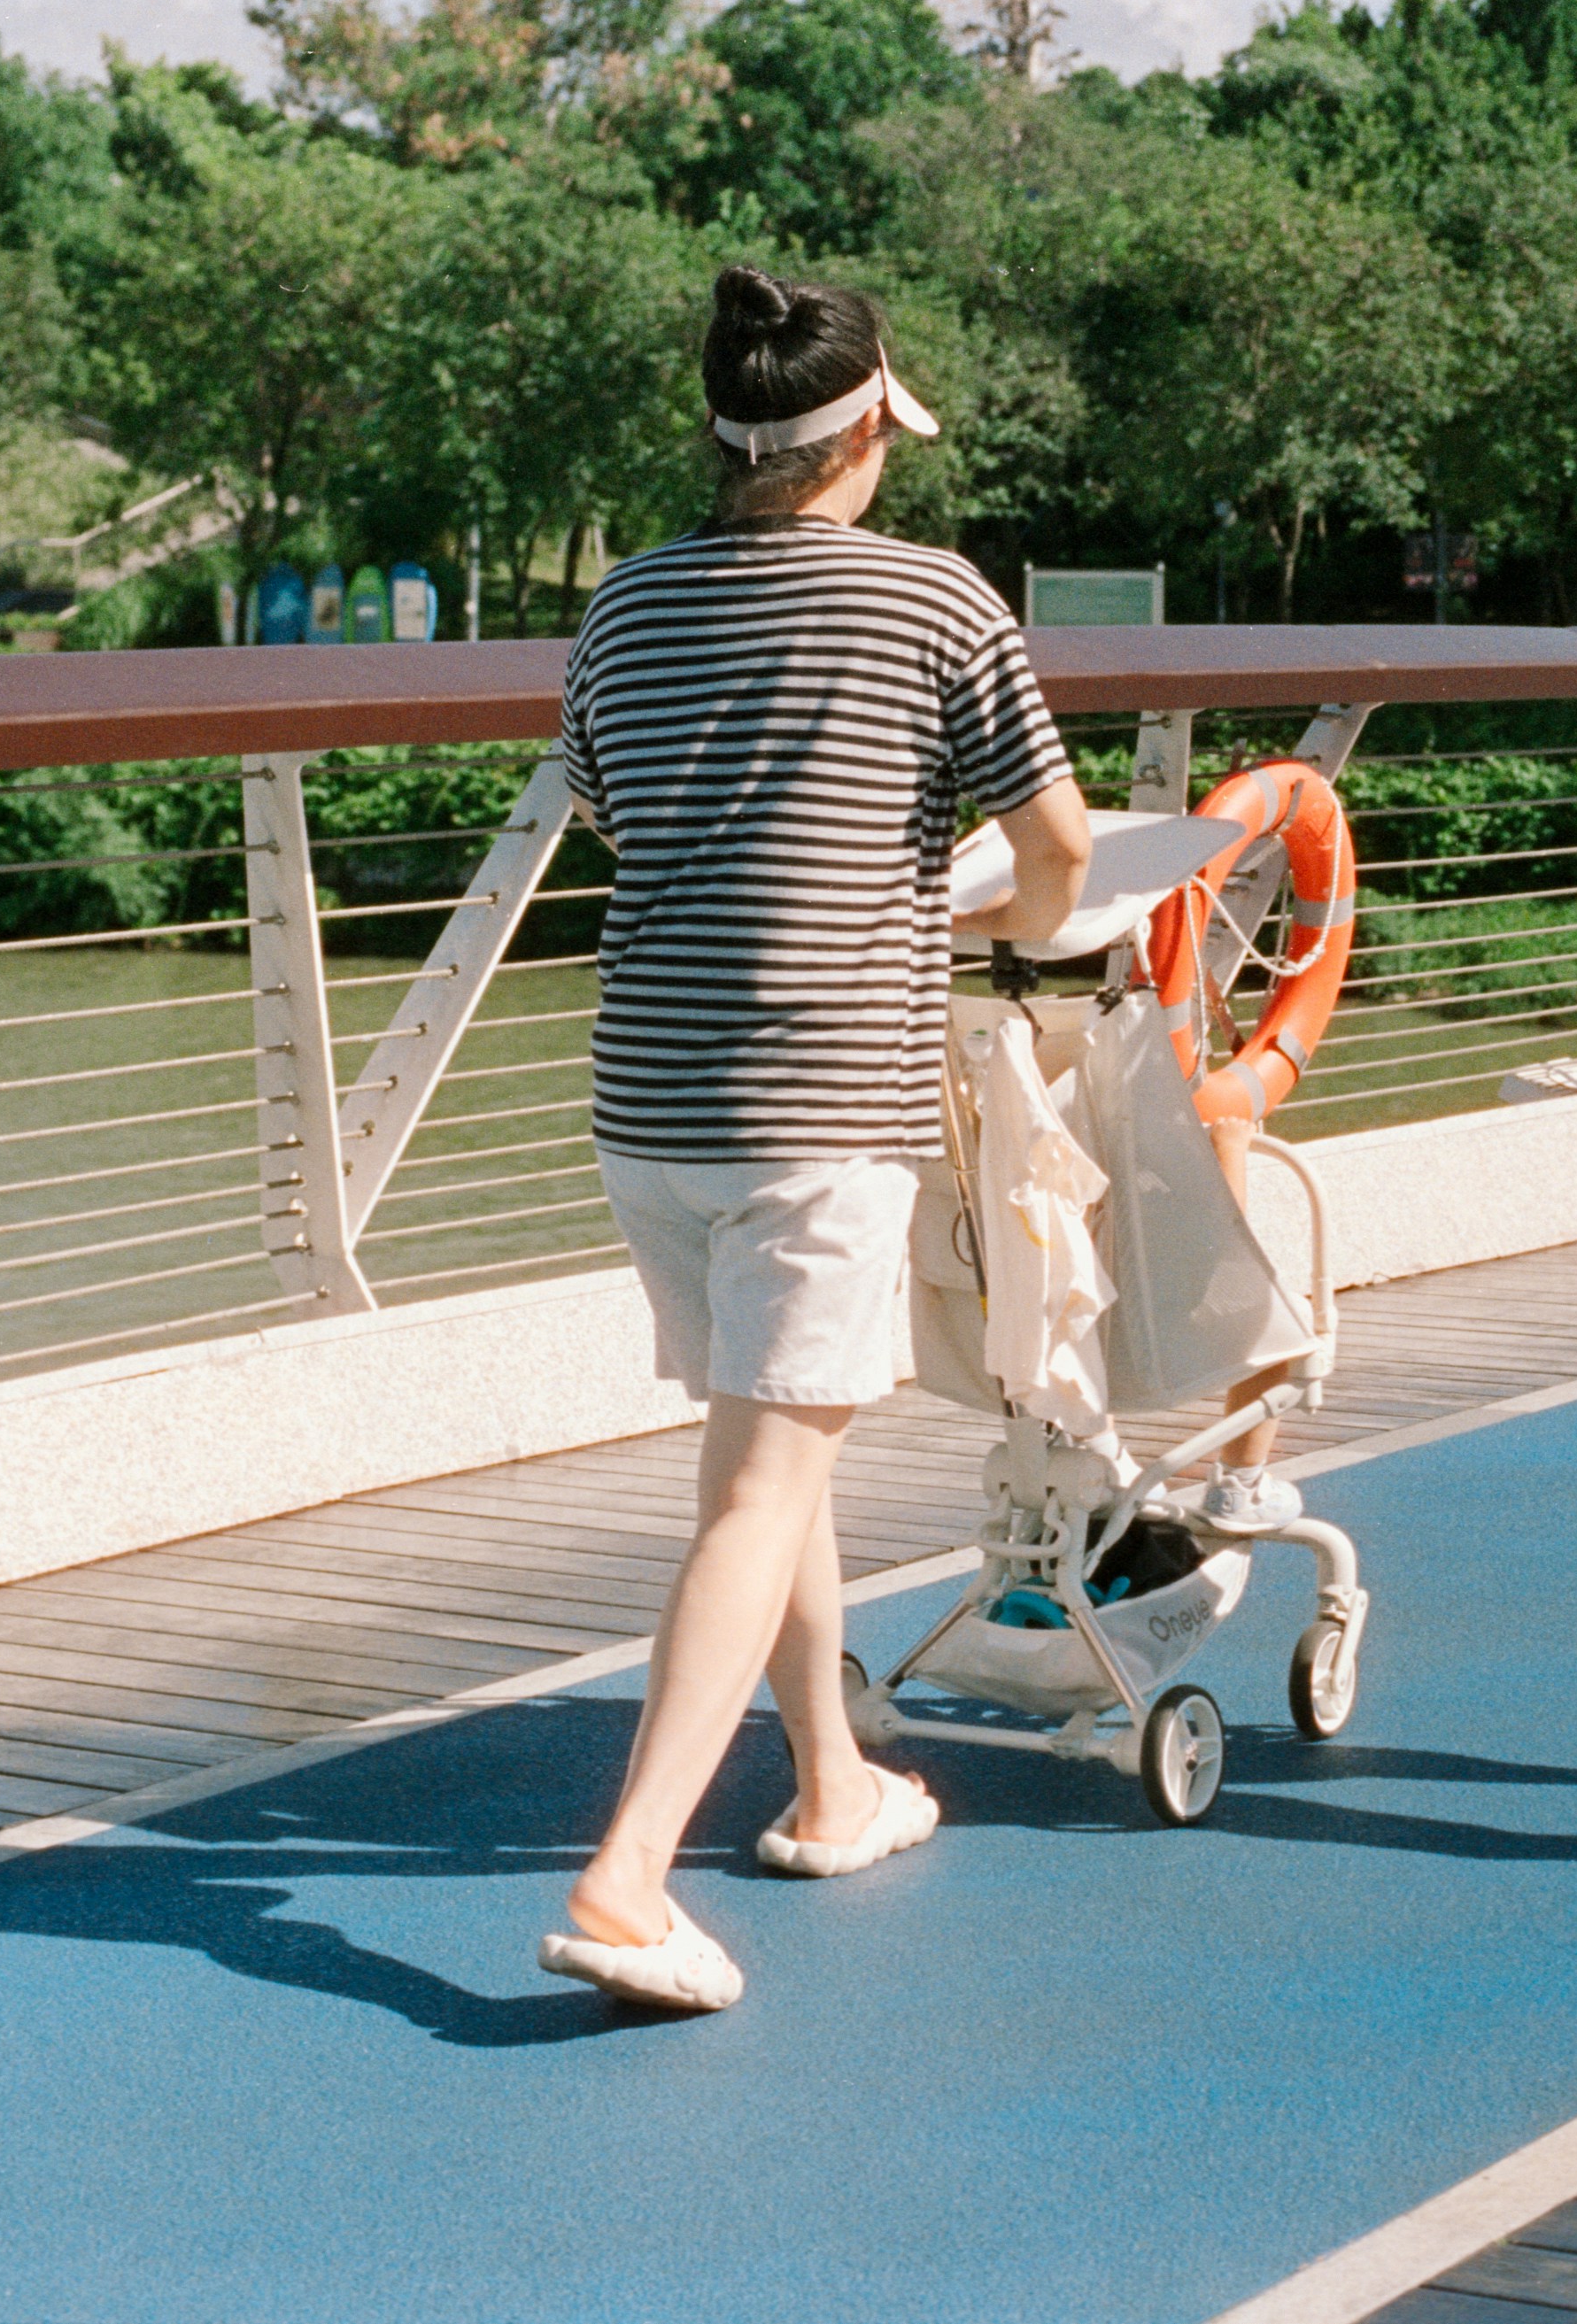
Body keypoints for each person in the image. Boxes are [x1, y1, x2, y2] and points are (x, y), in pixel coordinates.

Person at [539, 268, 1093, 2010]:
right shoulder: (938, 603)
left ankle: (837, 1785)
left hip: (654, 1095)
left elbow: (621, 811)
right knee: (761, 1480)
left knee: (776, 1458)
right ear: (864, 431)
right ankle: (628, 1878)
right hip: (818, 1103)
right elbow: (1056, 845)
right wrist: (1001, 918)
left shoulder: (624, 605)